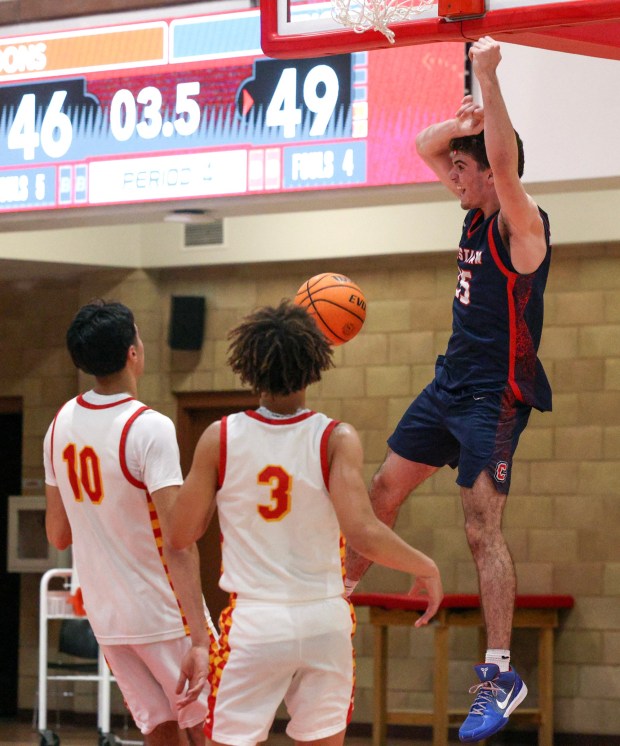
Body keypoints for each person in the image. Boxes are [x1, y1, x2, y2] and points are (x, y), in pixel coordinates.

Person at [345, 36, 552, 744]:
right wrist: (461, 123)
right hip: (449, 381)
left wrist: (488, 79)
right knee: (380, 490)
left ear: (497, 174)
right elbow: (426, 147)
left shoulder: (521, 225)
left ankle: (499, 675)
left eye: (468, 171)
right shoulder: (471, 207)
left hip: (495, 393)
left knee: (477, 522)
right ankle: (334, 612)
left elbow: (496, 160)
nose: (455, 178)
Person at [167, 300, 443, 746]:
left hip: (256, 623)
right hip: (324, 620)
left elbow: (179, 536)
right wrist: (423, 565)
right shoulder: (336, 438)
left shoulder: (219, 438)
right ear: (316, 364)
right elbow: (364, 533)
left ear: (247, 366)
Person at [44, 300, 215, 746]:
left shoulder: (58, 424)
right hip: (160, 609)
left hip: (106, 612)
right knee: (212, 728)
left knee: (159, 726)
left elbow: (57, 533)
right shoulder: (148, 426)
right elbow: (178, 540)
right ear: (132, 352)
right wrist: (200, 637)